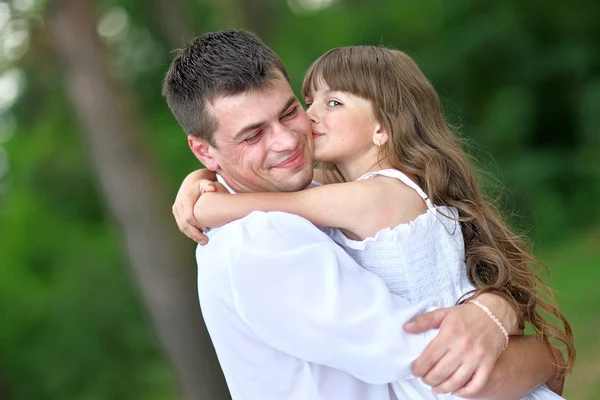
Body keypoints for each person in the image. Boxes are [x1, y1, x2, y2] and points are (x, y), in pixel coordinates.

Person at [164, 30, 566, 400]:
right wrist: (548, 354)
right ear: (204, 150)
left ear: (382, 127)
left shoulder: (324, 192)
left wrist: (204, 190)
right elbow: (455, 369)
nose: (288, 140)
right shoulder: (260, 240)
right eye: (252, 135)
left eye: (289, 112)